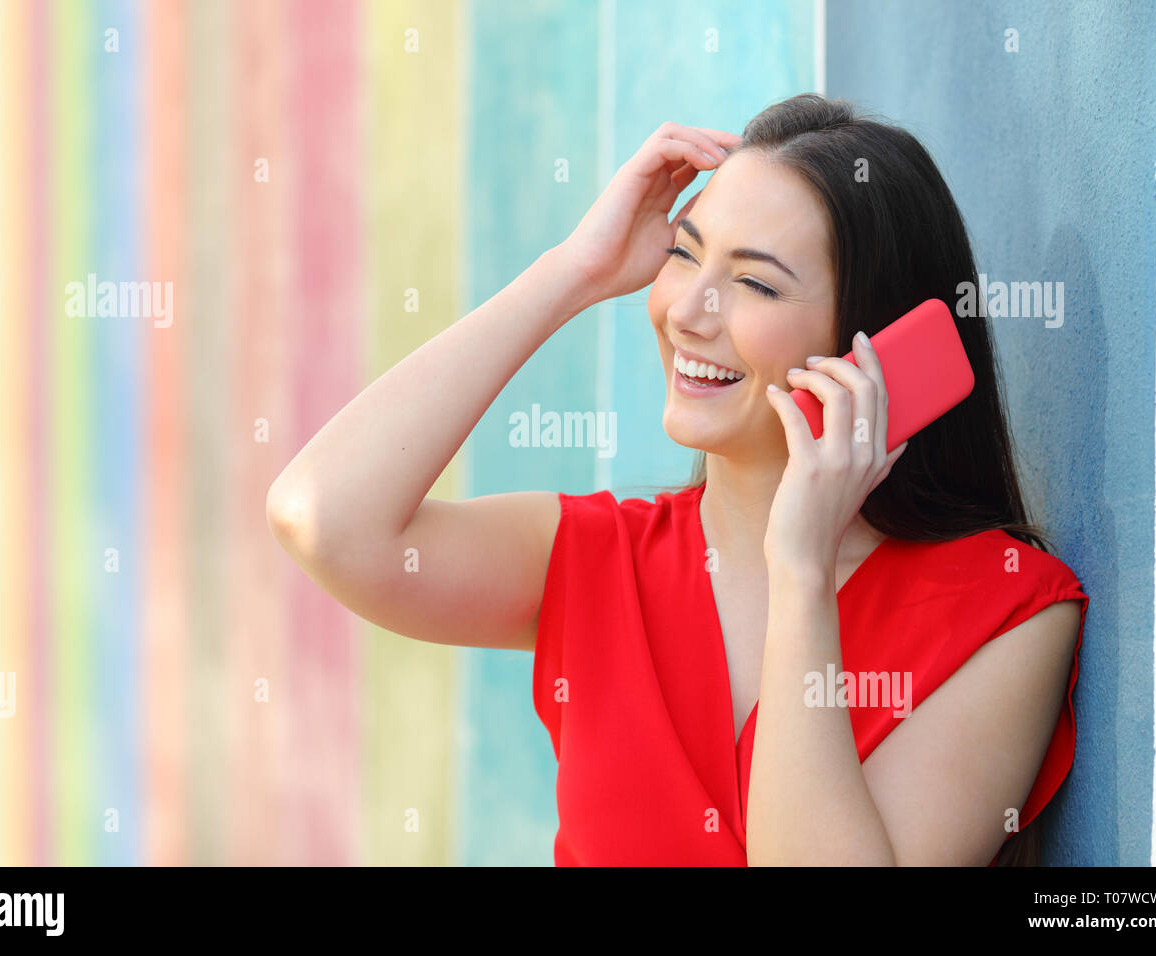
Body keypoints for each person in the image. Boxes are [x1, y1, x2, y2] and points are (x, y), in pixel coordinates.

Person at [267, 93, 1088, 866]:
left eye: (757, 283)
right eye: (684, 255)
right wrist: (573, 274)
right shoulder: (597, 561)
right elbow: (324, 518)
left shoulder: (1006, 614)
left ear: (874, 346)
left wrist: (798, 569)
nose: (691, 311)